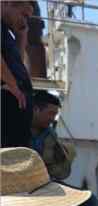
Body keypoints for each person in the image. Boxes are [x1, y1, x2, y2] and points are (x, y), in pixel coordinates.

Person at [30, 91, 96, 206]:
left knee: (89, 198)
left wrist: (63, 157)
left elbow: (57, 170)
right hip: (27, 186)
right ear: (35, 109)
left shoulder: (50, 134)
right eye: (50, 113)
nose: (53, 118)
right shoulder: (17, 131)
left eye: (55, 114)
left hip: (47, 184)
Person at [1, 1, 34, 148]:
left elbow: (17, 63)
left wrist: (21, 37)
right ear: (7, 3)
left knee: (17, 150)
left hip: (17, 97)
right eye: (24, 14)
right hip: (8, 97)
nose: (24, 20)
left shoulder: (6, 33)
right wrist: (13, 86)